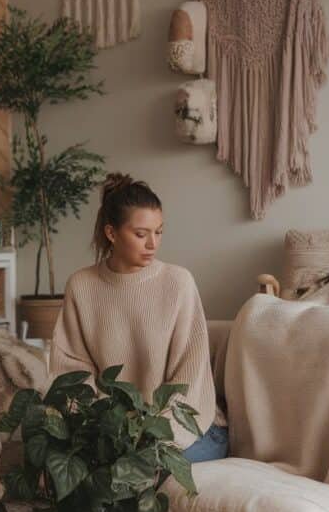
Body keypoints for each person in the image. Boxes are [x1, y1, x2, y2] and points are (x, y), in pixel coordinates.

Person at [49, 172, 228, 463]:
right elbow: (72, 369)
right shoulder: (81, 285)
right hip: (115, 433)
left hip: (189, 431)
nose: (152, 244)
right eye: (141, 234)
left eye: (159, 232)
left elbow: (189, 378)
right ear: (111, 233)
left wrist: (149, 436)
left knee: (141, 475)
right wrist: (105, 430)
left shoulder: (178, 282)